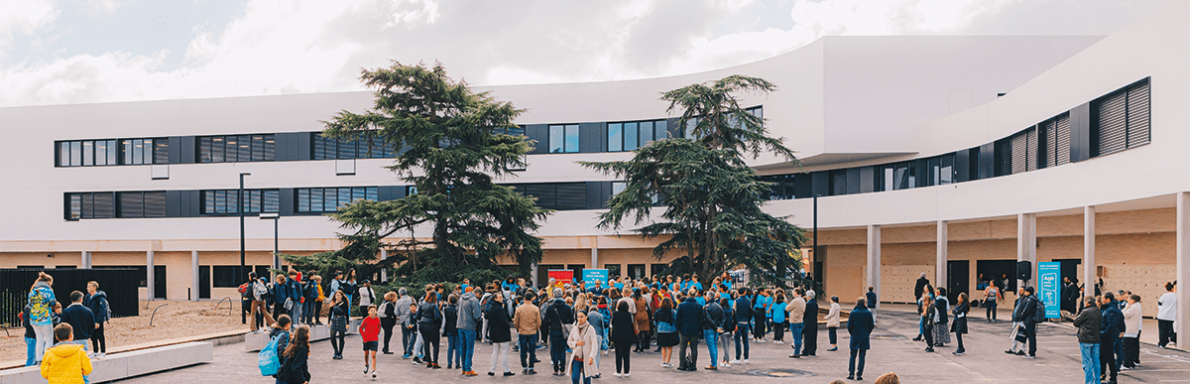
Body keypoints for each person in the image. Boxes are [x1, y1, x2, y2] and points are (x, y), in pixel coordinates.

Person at [543, 288, 575, 376]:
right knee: (562, 350)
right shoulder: (567, 307)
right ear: (562, 295)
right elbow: (572, 320)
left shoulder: (550, 307)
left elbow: (545, 321)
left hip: (553, 330)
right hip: (563, 331)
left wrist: (551, 324)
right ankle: (562, 369)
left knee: (554, 350)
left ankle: (555, 369)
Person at [28, 272, 57, 363]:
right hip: (45, 318)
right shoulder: (48, 290)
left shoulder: (32, 291)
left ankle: (39, 359)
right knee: (48, 339)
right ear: (48, 282)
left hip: (33, 318)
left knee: (39, 339)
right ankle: (47, 359)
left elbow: (29, 304)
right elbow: (53, 302)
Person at [1073, 296, 1102, 384]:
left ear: (1087, 302)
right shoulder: (1098, 311)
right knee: (1096, 361)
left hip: (1085, 339)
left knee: (1086, 362)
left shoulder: (1085, 311)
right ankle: (1097, 381)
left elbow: (1076, 322)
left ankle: (1089, 381)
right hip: (1096, 339)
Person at [486, 289, 514, 376]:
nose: (501, 298)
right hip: (502, 332)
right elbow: (503, 321)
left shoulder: (491, 308)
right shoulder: (500, 309)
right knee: (504, 352)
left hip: (494, 332)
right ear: (495, 299)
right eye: (500, 297)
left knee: (495, 351)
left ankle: (492, 370)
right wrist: (508, 326)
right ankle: (506, 370)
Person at [567, 311, 600, 384]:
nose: (580, 319)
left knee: (587, 380)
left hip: (587, 358)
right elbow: (569, 341)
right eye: (578, 317)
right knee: (575, 378)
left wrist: (592, 356)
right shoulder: (574, 329)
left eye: (582, 316)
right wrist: (576, 343)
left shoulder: (590, 329)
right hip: (577, 358)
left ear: (586, 317)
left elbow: (594, 344)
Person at [514, 291, 542, 374]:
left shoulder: (519, 308)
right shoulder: (535, 308)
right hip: (532, 332)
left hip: (522, 332)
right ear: (532, 298)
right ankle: (531, 367)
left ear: (524, 298)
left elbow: (516, 321)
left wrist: (518, 328)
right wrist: (536, 328)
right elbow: (538, 321)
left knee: (523, 350)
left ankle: (524, 366)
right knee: (532, 350)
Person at [457, 287, 483, 376]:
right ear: (478, 294)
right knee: (469, 347)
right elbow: (477, 316)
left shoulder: (461, 298)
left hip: (460, 325)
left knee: (462, 347)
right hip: (469, 326)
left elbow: (457, 311)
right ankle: (468, 369)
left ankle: (464, 368)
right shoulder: (474, 300)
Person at [847, 298, 875, 381]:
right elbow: (871, 325)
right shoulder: (868, 313)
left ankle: (851, 373)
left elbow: (849, 326)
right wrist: (867, 333)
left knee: (852, 356)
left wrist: (852, 333)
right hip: (864, 336)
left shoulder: (853, 313)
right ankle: (859, 374)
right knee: (862, 357)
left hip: (855, 336)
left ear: (856, 303)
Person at [674, 291, 702, 371]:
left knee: (682, 347)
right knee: (694, 348)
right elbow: (701, 320)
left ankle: (682, 364)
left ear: (688, 295)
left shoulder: (681, 305)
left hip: (684, 329)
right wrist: (700, 330)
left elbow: (677, 318)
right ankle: (693, 365)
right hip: (694, 329)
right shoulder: (698, 306)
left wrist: (677, 328)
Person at [1100, 293, 1124, 384]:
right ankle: (1104, 375)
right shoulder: (1113, 308)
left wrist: (1103, 333)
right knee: (1104, 356)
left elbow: (1111, 325)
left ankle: (1113, 378)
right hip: (1109, 336)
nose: (1102, 300)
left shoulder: (1111, 310)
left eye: (1103, 298)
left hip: (1108, 337)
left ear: (1108, 299)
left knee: (1109, 357)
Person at [414, 291, 442, 369]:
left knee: (426, 343)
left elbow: (417, 316)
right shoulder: (434, 306)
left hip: (422, 325)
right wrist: (439, 324)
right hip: (432, 325)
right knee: (435, 344)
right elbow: (436, 317)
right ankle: (435, 362)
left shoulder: (422, 304)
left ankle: (428, 361)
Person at [611, 300, 638, 376]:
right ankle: (627, 371)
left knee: (618, 354)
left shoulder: (616, 314)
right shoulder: (629, 314)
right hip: (627, 336)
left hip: (618, 336)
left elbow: (612, 323)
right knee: (627, 354)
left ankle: (618, 371)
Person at [701, 292, 725, 370]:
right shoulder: (719, 306)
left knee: (711, 346)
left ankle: (713, 363)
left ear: (708, 298)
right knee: (714, 345)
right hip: (717, 328)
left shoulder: (707, 307)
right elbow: (723, 318)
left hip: (709, 328)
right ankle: (714, 362)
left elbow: (709, 319)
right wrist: (719, 327)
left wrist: (715, 327)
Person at [654, 297, 678, 368]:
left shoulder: (658, 311)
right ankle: (668, 362)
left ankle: (663, 361)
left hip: (661, 330)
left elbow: (655, 321)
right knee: (670, 347)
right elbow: (676, 320)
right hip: (671, 330)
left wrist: (658, 326)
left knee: (663, 346)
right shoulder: (672, 312)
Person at [268, 315, 293, 384]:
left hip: (276, 361)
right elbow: (282, 350)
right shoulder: (283, 335)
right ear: (287, 325)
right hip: (282, 365)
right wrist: (285, 364)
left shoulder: (275, 332)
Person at [358, 305, 380, 378]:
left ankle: (373, 371)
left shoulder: (377, 319)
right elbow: (361, 328)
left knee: (373, 355)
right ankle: (366, 365)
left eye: (374, 311)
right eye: (371, 311)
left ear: (376, 312)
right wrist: (364, 337)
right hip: (367, 340)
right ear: (368, 312)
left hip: (374, 339)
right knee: (366, 354)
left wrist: (376, 334)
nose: (373, 312)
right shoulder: (366, 320)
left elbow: (379, 327)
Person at [1121, 294, 1142, 369]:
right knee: (1130, 347)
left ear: (1132, 300)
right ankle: (1131, 363)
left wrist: (1125, 308)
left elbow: (1123, 314)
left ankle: (1127, 363)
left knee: (1126, 348)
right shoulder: (1136, 306)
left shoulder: (1133, 307)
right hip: (1133, 330)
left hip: (1129, 330)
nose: (1127, 301)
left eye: (1128, 299)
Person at [733, 287, 753, 364]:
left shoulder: (736, 301)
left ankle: (738, 358)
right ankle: (746, 357)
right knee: (746, 341)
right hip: (746, 322)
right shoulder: (749, 301)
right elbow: (750, 311)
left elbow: (734, 313)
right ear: (745, 292)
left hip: (738, 322)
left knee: (737, 341)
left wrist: (734, 324)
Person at [393, 288, 414, 358]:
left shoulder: (399, 302)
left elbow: (396, 312)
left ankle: (406, 349)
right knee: (412, 335)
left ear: (400, 294)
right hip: (411, 319)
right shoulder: (411, 299)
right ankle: (411, 349)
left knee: (405, 335)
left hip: (403, 320)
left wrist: (401, 316)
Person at [328, 290, 349, 360]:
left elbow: (346, 314)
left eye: (339, 295)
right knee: (332, 336)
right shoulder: (333, 303)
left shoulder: (344, 303)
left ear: (342, 296)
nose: (337, 297)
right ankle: (335, 351)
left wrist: (347, 323)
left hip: (341, 319)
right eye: (336, 295)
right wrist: (328, 322)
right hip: (334, 319)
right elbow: (330, 313)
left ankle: (340, 353)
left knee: (341, 337)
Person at [785, 288, 806, 358]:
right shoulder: (803, 300)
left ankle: (796, 352)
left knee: (796, 337)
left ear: (796, 293)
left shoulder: (795, 301)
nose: (792, 294)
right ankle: (798, 350)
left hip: (794, 320)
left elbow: (787, 308)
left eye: (793, 292)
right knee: (799, 337)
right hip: (800, 319)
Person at [1157, 282, 1177, 348]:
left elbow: (1159, 303)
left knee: (1162, 330)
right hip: (1171, 316)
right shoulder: (1176, 296)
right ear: (1172, 289)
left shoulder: (1164, 295)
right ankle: (1164, 341)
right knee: (1168, 329)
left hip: (1162, 315)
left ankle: (1162, 343)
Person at [444, 294, 461, 369]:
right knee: (458, 346)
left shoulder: (446, 309)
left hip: (449, 329)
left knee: (450, 346)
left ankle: (449, 363)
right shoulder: (458, 309)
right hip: (457, 328)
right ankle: (457, 363)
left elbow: (444, 320)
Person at [718, 297, 735, 368]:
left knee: (725, 347)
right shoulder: (731, 310)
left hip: (723, 330)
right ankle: (724, 360)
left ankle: (727, 361)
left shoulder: (721, 311)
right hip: (730, 330)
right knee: (727, 346)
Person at [802, 290, 819, 356]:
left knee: (807, 337)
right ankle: (812, 350)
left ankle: (806, 350)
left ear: (808, 296)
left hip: (808, 323)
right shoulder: (815, 303)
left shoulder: (808, 304)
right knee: (813, 337)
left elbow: (805, 312)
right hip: (814, 322)